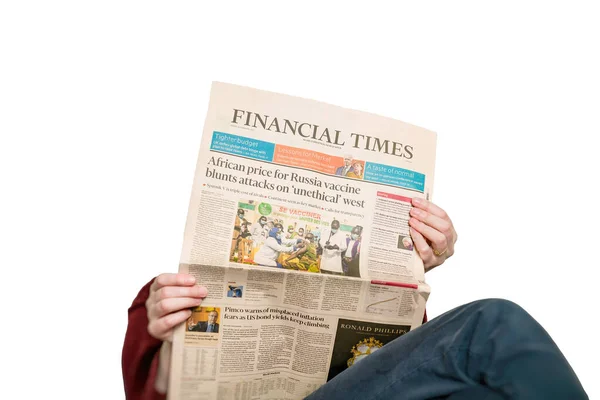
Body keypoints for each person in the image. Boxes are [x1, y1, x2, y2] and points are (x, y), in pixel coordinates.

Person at [122, 198, 588, 399]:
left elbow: (393, 360)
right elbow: (152, 388)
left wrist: (408, 264)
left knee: (482, 392)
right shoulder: (170, 294)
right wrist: (165, 341)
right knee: (492, 324)